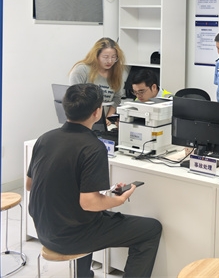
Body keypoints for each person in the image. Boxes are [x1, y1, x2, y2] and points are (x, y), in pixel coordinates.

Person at [26, 83, 162, 278]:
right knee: (151, 229)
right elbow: (89, 203)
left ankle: (83, 274)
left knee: (85, 214)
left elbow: (30, 185)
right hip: (72, 237)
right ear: (97, 112)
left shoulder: (45, 138)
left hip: (44, 231)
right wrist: (119, 200)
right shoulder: (93, 147)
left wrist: (100, 192)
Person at [69, 37, 127, 121]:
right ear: (96, 56)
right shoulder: (82, 70)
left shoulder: (116, 73)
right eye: (105, 57)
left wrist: (108, 118)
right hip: (83, 119)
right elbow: (75, 98)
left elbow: (116, 98)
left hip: (104, 121)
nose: (110, 61)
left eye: (114, 57)